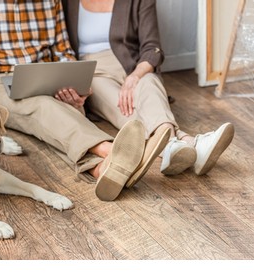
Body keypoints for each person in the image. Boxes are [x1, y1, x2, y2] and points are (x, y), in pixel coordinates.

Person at [0, 0, 168, 201]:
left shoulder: (50, 2)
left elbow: (63, 51)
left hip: (44, 76)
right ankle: (112, 151)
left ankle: (101, 170)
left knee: (67, 109)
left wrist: (74, 83)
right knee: (43, 108)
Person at [60, 0, 234, 176]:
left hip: (132, 64)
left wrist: (135, 75)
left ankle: (171, 146)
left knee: (149, 81)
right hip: (94, 73)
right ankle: (190, 143)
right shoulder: (65, 2)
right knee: (124, 106)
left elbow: (152, 47)